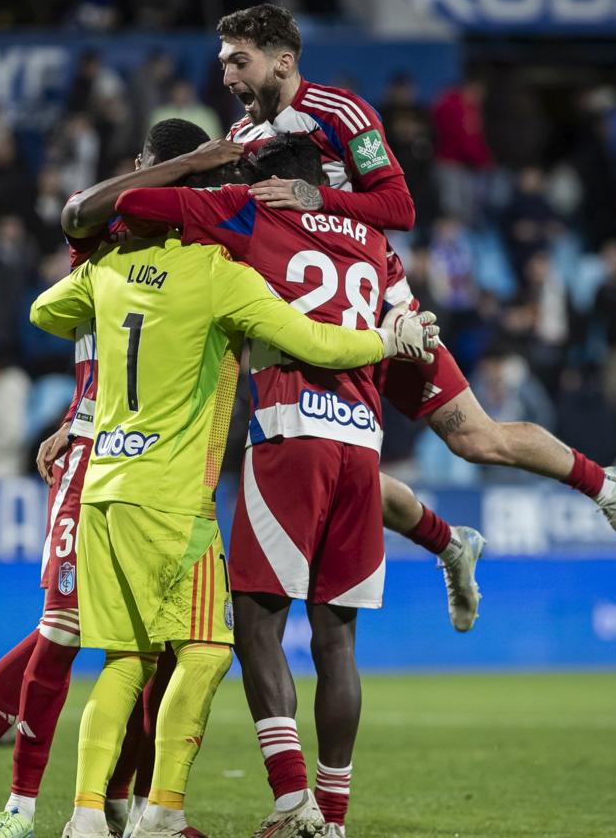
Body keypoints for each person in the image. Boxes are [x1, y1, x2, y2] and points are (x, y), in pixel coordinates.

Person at [216, 4, 616, 833]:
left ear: (283, 58)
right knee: (334, 441)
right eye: (225, 63)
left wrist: (319, 200)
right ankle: (450, 541)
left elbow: (402, 205)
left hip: (377, 296)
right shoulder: (240, 136)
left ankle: (603, 485)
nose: (229, 77)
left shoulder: (342, 112)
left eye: (240, 62)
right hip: (318, 306)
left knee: (475, 436)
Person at [0, 211, 436, 838]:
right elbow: (319, 343)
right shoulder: (218, 274)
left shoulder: (106, 269)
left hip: (105, 490)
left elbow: (42, 314)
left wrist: (111, 270)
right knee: (212, 649)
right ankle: (162, 810)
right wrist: (387, 340)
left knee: (124, 662)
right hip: (173, 501)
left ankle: (84, 818)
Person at [117, 134, 485, 837]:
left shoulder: (257, 214)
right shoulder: (374, 239)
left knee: (257, 621)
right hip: (362, 442)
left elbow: (134, 203)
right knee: (336, 640)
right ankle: (334, 817)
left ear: (274, 182)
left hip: (291, 430)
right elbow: (408, 315)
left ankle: (292, 801)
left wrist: (198, 171)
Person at [0, 120, 244, 838]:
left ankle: (124, 803)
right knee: (62, 632)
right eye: (167, 174)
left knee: (149, 651)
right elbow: (77, 212)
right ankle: (13, 803)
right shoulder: (108, 234)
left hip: (154, 461)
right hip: (98, 456)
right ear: (143, 170)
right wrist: (195, 159)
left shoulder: (197, 249)